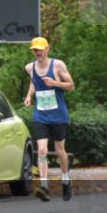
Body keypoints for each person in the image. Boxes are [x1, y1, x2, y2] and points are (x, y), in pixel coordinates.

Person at [23, 36, 75, 202]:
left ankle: (66, 180)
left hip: (58, 114)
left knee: (60, 151)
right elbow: (33, 82)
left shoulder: (58, 65)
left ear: (47, 49)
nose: (37, 52)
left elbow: (71, 86)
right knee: (43, 150)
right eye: (35, 50)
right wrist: (29, 96)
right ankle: (44, 187)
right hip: (41, 115)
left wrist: (55, 83)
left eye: (40, 49)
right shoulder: (30, 67)